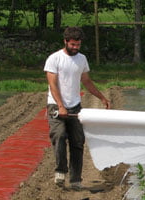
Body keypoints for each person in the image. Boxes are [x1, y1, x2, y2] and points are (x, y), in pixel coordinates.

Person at [44, 26, 110, 191]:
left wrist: (102, 98)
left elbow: (86, 81)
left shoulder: (82, 59)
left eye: (78, 45)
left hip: (75, 105)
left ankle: (75, 180)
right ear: (65, 41)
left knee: (77, 142)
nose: (75, 48)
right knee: (59, 136)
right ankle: (60, 171)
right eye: (72, 44)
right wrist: (60, 105)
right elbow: (52, 85)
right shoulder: (54, 59)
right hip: (56, 105)